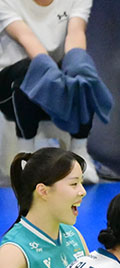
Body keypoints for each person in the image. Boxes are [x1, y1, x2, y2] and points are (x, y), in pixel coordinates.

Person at [0, 0, 109, 184]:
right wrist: (50, 75)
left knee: (81, 70)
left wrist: (76, 64)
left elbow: (76, 32)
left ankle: (79, 151)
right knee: (31, 70)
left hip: (55, 78)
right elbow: (26, 37)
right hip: (10, 86)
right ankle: (26, 155)